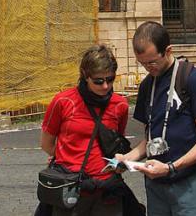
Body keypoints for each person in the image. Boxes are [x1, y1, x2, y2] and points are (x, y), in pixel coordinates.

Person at [116, 21, 196, 216]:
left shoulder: (192, 79)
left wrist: (171, 168)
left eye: (152, 62)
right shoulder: (147, 86)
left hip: (189, 184)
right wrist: (128, 158)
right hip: (156, 187)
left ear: (168, 50)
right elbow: (151, 137)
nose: (147, 68)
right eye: (142, 63)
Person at [40, 44, 129, 216]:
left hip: (107, 191)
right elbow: (46, 143)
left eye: (110, 79)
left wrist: (121, 163)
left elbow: (116, 144)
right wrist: (66, 159)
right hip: (71, 190)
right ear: (85, 76)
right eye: (98, 81)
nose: (105, 86)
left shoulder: (120, 105)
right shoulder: (63, 101)